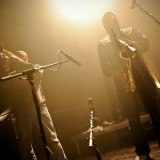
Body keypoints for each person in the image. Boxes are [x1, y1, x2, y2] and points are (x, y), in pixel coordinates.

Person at [97, 11, 160, 160]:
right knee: (133, 118)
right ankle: (142, 153)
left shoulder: (130, 31)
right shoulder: (103, 44)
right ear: (104, 26)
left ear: (117, 20)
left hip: (142, 75)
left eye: (112, 21)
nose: (110, 25)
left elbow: (146, 44)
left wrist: (134, 43)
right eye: (107, 23)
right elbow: (105, 70)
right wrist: (117, 71)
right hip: (123, 81)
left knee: (156, 110)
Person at [1, 47, 68, 160]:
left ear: (27, 58)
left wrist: (15, 58)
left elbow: (32, 70)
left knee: (52, 139)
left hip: (38, 106)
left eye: (21, 56)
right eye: (17, 56)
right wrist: (5, 67)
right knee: (25, 146)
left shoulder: (36, 67)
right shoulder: (13, 74)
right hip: (20, 110)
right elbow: (5, 86)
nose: (18, 58)